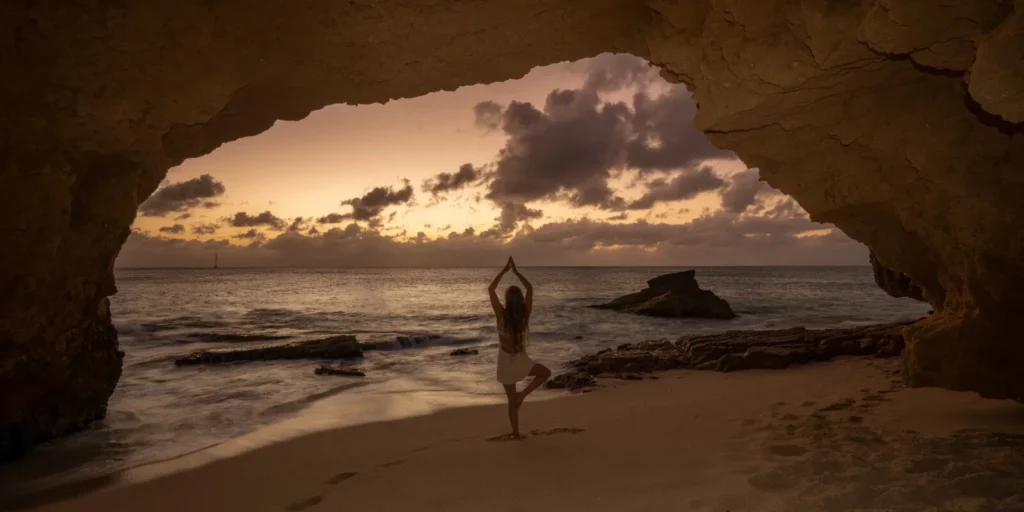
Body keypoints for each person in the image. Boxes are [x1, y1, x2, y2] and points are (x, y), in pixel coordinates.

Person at [489, 256, 551, 439]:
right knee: (545, 373)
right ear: (521, 299)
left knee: (511, 400)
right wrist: (516, 272)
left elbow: (491, 289)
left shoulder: (501, 315)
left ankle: (515, 432)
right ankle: (522, 396)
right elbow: (530, 288)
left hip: (506, 360)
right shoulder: (525, 315)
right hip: (520, 359)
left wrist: (504, 271)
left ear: (507, 299)